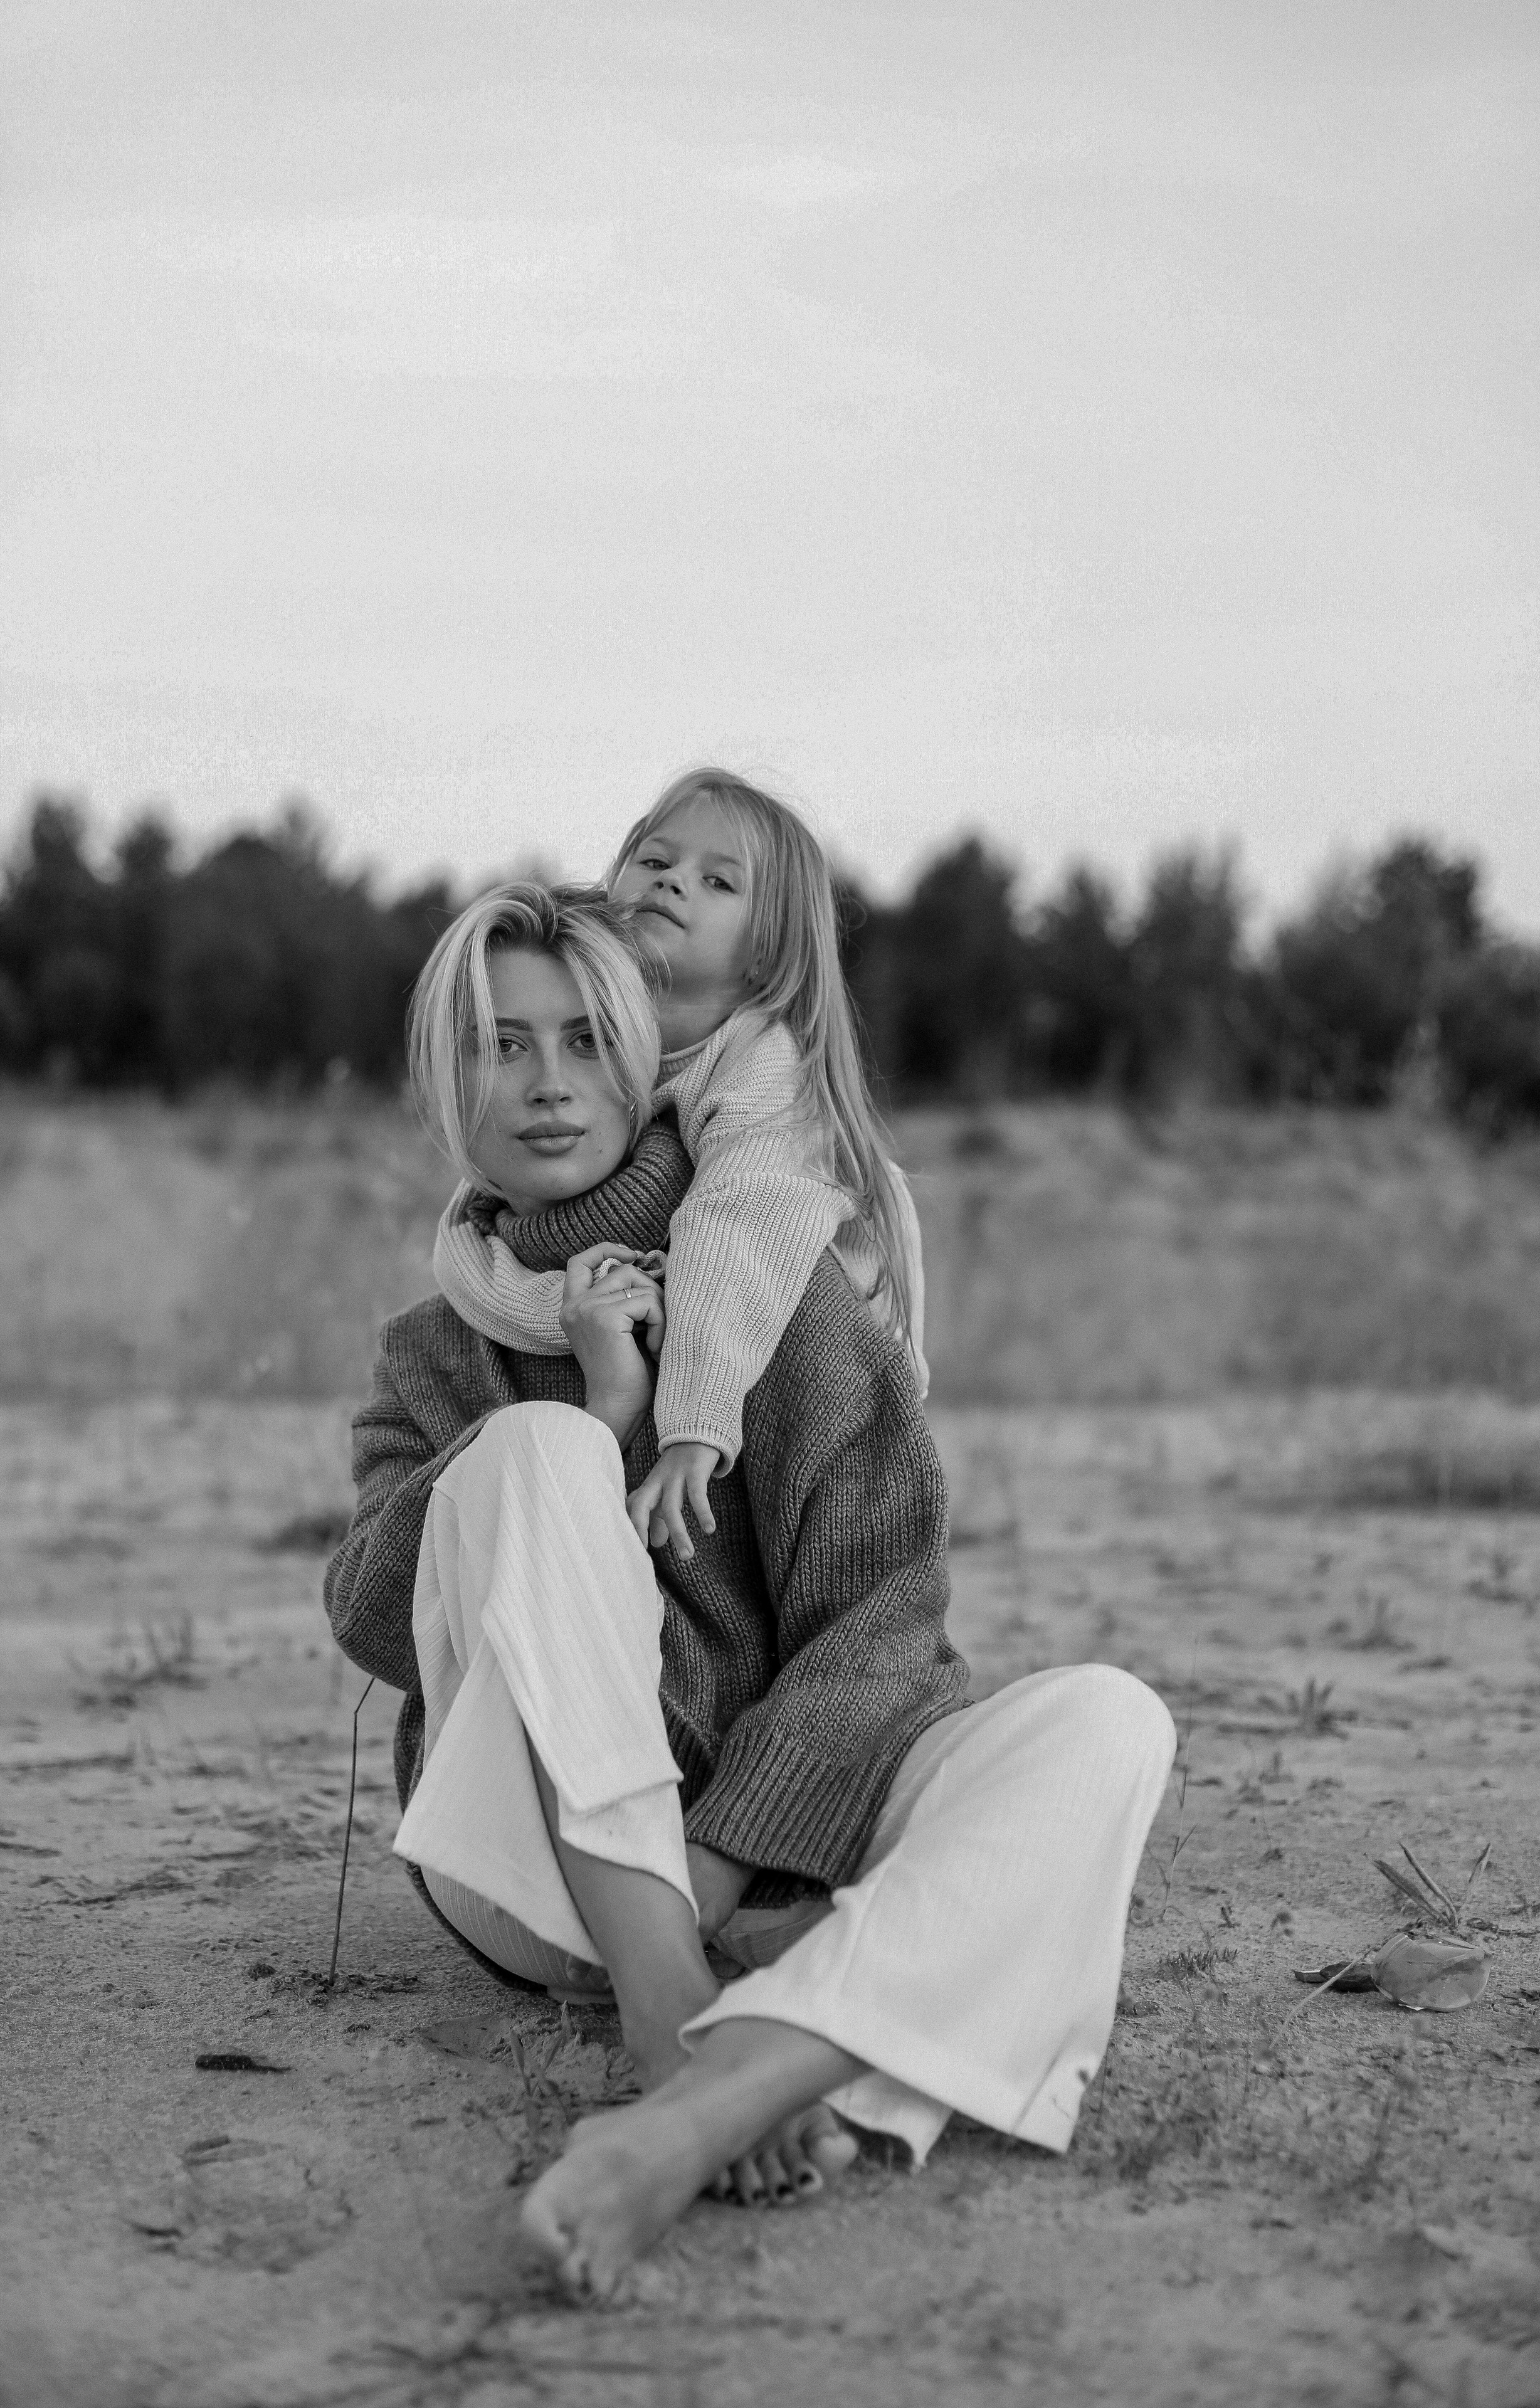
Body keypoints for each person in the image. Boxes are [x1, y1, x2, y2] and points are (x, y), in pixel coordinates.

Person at [324, 879, 1175, 2304]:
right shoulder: (431, 1348)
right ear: (443, 1077)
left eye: (588, 1039)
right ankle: (672, 2007)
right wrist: (602, 1414)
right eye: (501, 1044)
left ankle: (705, 2101)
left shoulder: (777, 1294)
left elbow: (884, 1628)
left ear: (649, 1056)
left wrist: (719, 1852)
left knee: (1107, 1722)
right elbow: (368, 1610)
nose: (547, 1084)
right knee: (529, 1451)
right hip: (540, 1884)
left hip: (778, 1868)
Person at [430, 769, 927, 1563]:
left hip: (802, 1352)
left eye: (718, 880)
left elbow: (736, 1228)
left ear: (771, 948)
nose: (672, 881)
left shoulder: (766, 1063)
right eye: (655, 859)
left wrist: (695, 1426)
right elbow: (498, 1181)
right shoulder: (609, 1037)